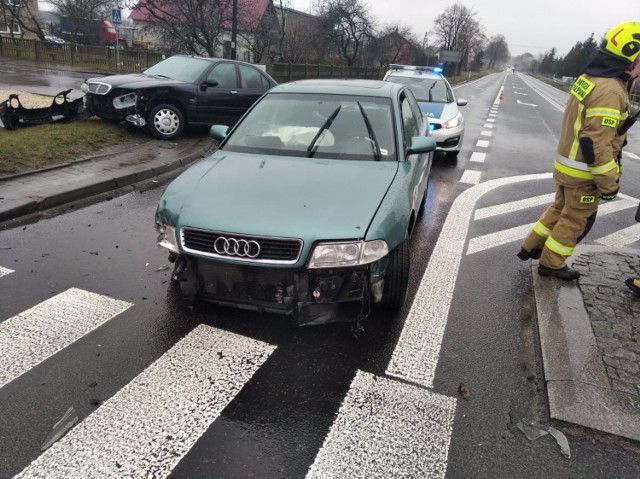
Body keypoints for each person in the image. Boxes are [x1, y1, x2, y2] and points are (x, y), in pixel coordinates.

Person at [518, 21, 640, 280]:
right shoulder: (610, 91)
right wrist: (609, 184)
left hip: (568, 166)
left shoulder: (590, 79)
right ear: (632, 58)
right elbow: (596, 143)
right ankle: (552, 263)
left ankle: (531, 246)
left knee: (559, 209)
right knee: (575, 219)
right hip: (585, 173)